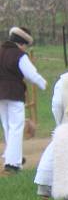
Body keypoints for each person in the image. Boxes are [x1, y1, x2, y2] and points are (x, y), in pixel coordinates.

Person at [0, 27, 46, 173]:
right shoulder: (20, 55)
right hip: (14, 93)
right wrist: (43, 84)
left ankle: (13, 157)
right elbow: (31, 74)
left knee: (7, 126)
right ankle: (12, 163)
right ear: (22, 43)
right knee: (16, 127)